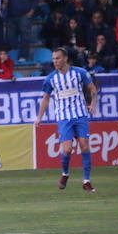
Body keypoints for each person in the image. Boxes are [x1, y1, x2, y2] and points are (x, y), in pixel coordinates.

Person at [34, 48, 99, 192]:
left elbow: (93, 89)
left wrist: (93, 104)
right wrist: (39, 117)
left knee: (84, 146)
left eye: (57, 58)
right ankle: (65, 174)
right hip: (63, 117)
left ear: (65, 58)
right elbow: (45, 98)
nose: (55, 61)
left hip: (80, 114)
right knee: (67, 149)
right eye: (53, 59)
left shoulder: (80, 73)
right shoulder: (51, 78)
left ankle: (86, 181)